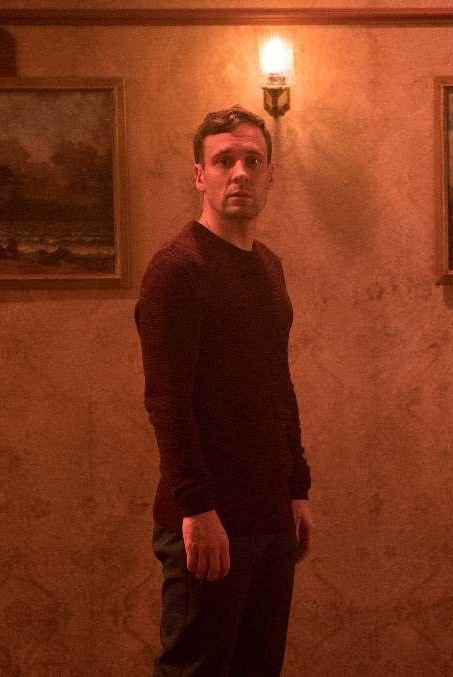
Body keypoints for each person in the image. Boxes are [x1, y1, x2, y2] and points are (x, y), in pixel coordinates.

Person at [135, 105, 314, 677]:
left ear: (270, 175)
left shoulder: (268, 267)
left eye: (252, 161)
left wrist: (296, 488)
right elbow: (167, 400)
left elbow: (277, 384)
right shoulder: (177, 269)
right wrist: (197, 507)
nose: (239, 172)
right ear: (200, 175)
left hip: (269, 510)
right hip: (207, 516)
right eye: (224, 161)